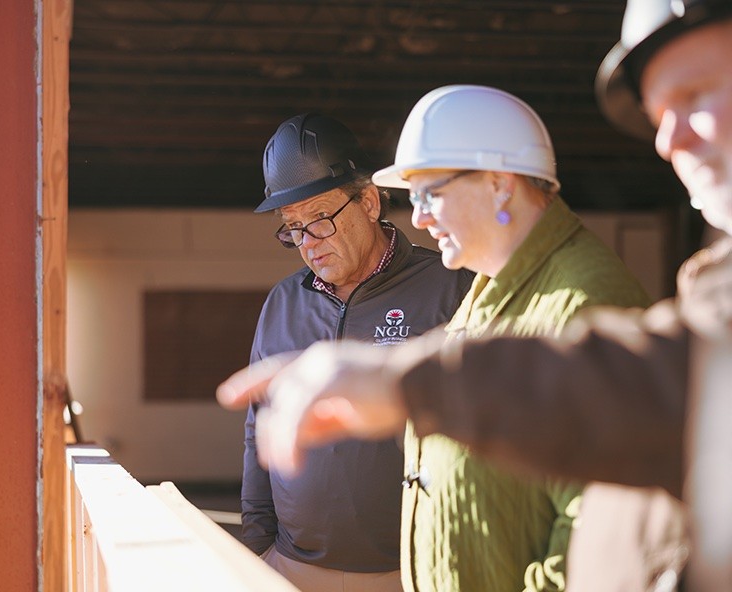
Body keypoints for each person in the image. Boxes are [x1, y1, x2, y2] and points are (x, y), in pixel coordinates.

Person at [218, 0, 732, 589]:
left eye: (432, 191)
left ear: (499, 181)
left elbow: (605, 459)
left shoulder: (570, 295)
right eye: (661, 111)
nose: (419, 215)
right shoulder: (488, 293)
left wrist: (408, 381)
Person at [220, 112, 474, 592]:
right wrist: (258, 551)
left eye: (319, 220)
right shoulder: (283, 301)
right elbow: (259, 429)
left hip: (410, 572)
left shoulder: (450, 287)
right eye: (292, 228)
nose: (307, 244)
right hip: (292, 569)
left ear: (371, 202)